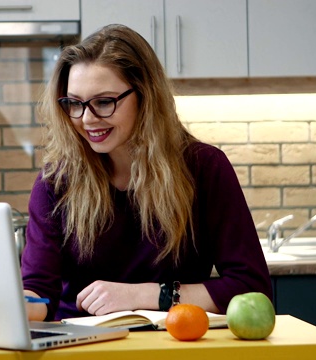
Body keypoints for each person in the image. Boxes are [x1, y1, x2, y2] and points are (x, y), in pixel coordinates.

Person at [21, 24, 272, 322]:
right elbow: (39, 294)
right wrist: (3, 304)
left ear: (145, 97)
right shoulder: (55, 182)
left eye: (104, 102)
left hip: (172, 343)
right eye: (74, 103)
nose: (87, 119)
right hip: (80, 347)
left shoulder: (204, 168)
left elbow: (250, 289)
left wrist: (141, 295)